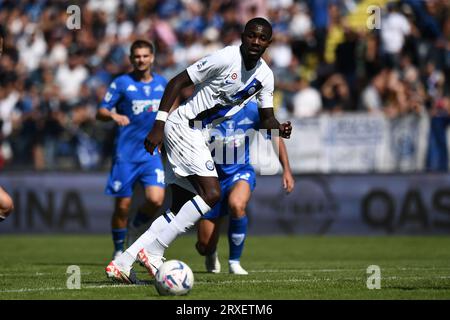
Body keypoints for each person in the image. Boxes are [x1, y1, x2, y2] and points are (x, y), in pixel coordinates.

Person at [106, 17, 292, 283]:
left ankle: (123, 261)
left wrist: (279, 127)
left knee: (178, 208)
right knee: (212, 193)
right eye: (252, 35)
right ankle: (155, 251)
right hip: (184, 127)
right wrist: (159, 125)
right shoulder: (225, 58)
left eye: (262, 38)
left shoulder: (265, 76)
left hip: (196, 133)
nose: (256, 41)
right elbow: (176, 82)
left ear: (269, 43)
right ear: (243, 36)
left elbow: (266, 118)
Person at [177, 100, 295, 275]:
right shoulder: (206, 109)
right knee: (203, 245)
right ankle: (211, 252)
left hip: (240, 172)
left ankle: (234, 262)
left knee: (237, 204)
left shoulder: (254, 110)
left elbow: (275, 136)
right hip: (209, 179)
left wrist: (286, 169)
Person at [96, 40, 167, 259]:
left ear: (152, 57)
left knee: (156, 199)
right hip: (125, 154)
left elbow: (170, 112)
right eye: (137, 56)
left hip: (151, 154)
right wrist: (113, 115)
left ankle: (135, 228)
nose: (141, 60)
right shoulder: (121, 83)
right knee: (123, 206)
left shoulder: (163, 84)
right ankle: (119, 248)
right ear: (131, 59)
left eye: (145, 56)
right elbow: (100, 111)